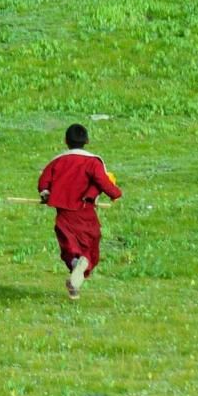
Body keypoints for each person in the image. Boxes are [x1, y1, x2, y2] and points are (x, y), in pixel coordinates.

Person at [37, 124, 122, 300]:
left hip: (65, 213)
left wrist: (46, 194)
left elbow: (44, 182)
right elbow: (102, 181)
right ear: (87, 141)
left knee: (68, 244)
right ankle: (80, 272)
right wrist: (115, 193)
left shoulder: (58, 161)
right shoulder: (93, 162)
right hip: (86, 211)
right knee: (90, 244)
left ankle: (76, 266)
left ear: (65, 141)